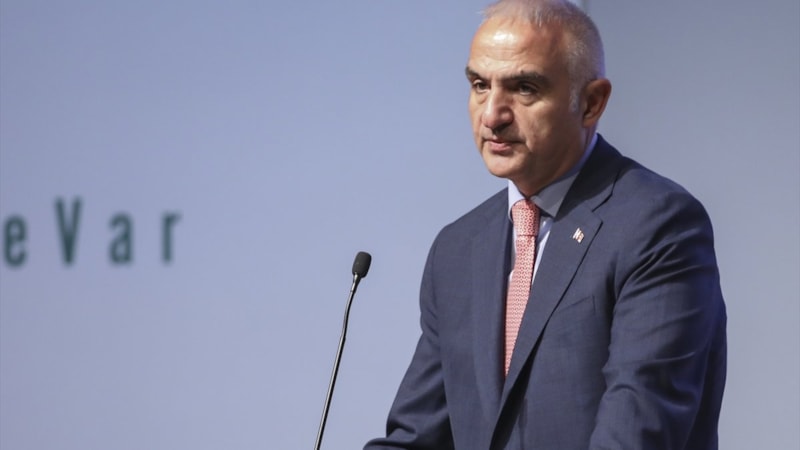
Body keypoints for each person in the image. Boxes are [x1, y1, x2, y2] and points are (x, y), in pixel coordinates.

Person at [365, 0, 727, 449]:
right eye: (480, 85)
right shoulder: (457, 248)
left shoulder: (657, 224)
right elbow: (418, 437)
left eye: (524, 88)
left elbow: (637, 432)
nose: (492, 115)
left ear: (591, 103)